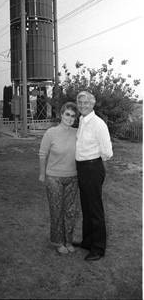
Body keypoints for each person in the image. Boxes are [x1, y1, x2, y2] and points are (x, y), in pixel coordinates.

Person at [73, 91, 113, 261]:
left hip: (92, 168)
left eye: (86, 102)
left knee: (95, 209)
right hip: (82, 168)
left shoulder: (98, 124)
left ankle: (98, 248)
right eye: (80, 102)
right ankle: (87, 241)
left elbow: (107, 152)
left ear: (92, 104)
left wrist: (97, 167)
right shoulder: (82, 120)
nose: (82, 105)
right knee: (86, 207)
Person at [39, 102, 79, 255]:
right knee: (56, 210)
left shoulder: (77, 132)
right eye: (67, 114)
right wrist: (42, 174)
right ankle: (58, 241)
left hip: (72, 178)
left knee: (70, 211)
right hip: (54, 178)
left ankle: (68, 240)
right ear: (61, 114)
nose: (70, 118)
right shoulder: (51, 133)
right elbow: (42, 154)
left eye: (73, 115)